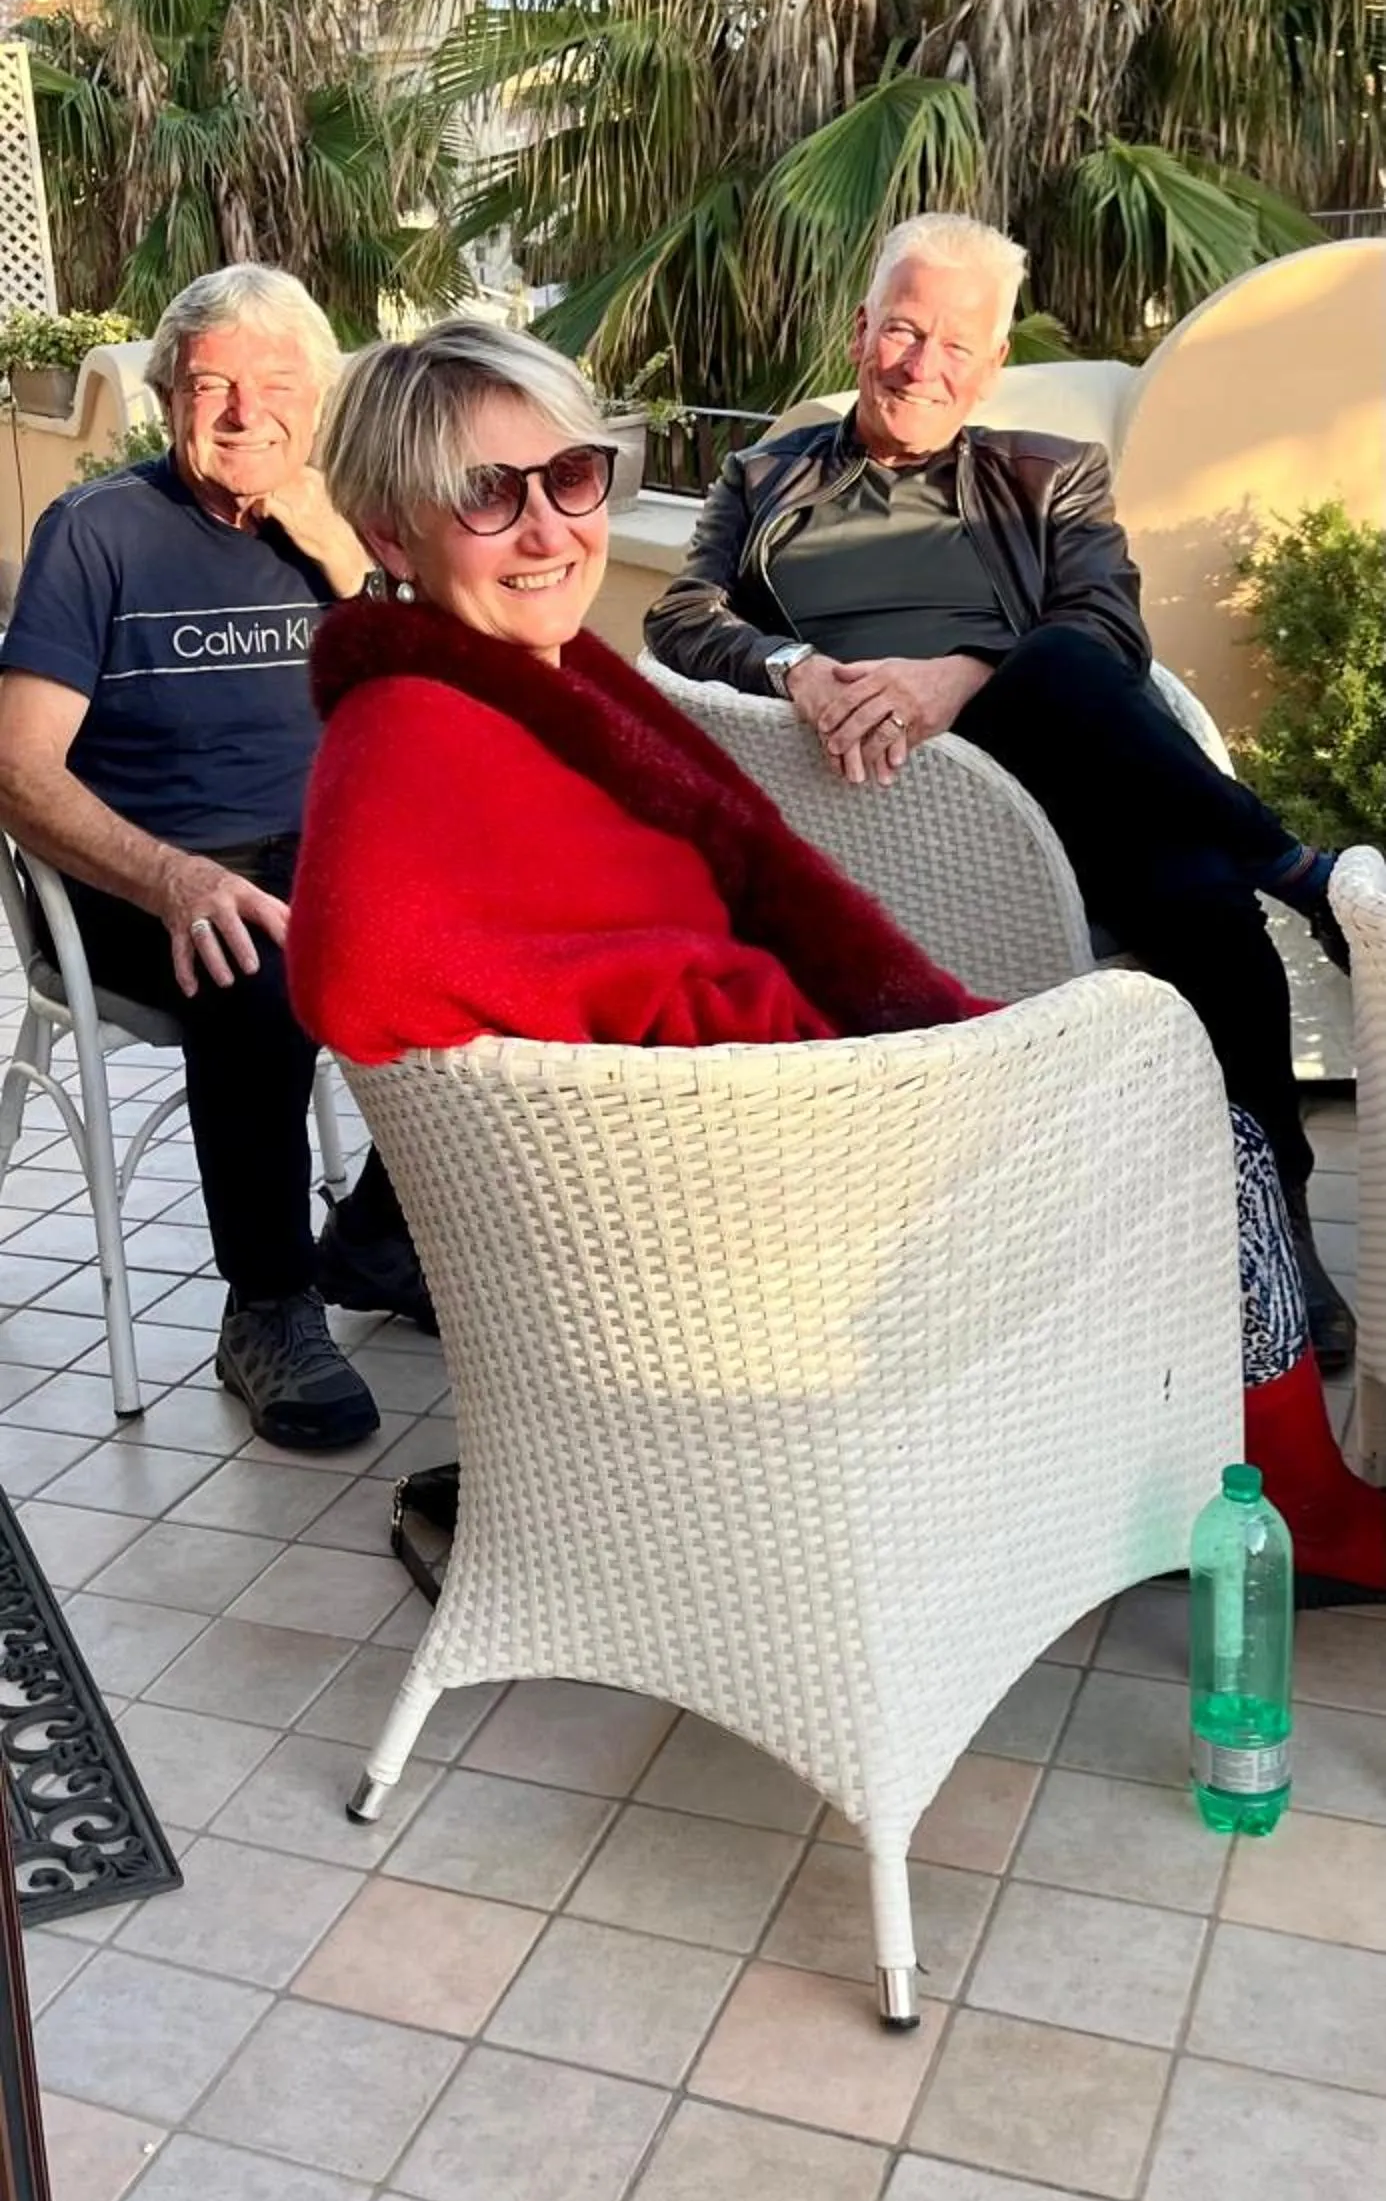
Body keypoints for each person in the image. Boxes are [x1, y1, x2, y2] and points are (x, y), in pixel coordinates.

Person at [286, 317, 1385, 1606]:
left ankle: (1189, 1463)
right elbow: (355, 969)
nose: (550, 531)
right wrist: (758, 1025)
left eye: (571, 478)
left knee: (1166, 937)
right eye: (488, 494)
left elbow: (1096, 629)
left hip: (811, 1082)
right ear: (389, 533)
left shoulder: (531, 677)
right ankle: (1287, 1502)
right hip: (772, 1199)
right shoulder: (417, 732)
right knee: (1195, 1118)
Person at [645, 212, 1354, 1375]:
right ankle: (1297, 870)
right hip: (870, 809)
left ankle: (1275, 1221)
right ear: (861, 330)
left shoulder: (1047, 472)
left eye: (956, 345)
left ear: (992, 365)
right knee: (1202, 872)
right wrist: (795, 666)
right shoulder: (765, 477)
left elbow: (1109, 629)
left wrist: (961, 676)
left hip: (1061, 789)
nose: (922, 365)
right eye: (903, 330)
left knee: (1188, 883)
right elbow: (681, 620)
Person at [0, 265, 430, 1454]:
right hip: (150, 878)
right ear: (166, 399)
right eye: (212, 385)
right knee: (259, 957)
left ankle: (378, 1237)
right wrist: (175, 879)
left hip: (328, 862)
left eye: (277, 385)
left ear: (320, 400)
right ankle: (267, 1304)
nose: (246, 413)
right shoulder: (97, 533)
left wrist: (341, 559)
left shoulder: (349, 528)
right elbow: (19, 769)